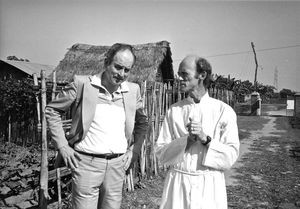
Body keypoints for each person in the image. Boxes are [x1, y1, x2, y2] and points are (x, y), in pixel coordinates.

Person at [45, 43, 148, 209]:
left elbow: (143, 122)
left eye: (127, 70)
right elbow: (52, 111)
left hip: (117, 166)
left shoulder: (132, 90)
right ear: (107, 62)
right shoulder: (83, 85)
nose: (122, 74)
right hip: (86, 164)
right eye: (118, 67)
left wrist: (134, 150)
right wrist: (63, 146)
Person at [155, 55, 239, 209]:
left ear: (202, 75)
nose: (179, 78)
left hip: (210, 187)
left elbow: (230, 157)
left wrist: (205, 139)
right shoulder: (174, 110)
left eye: (184, 74)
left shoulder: (223, 111)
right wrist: (187, 141)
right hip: (178, 185)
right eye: (179, 74)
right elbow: (161, 154)